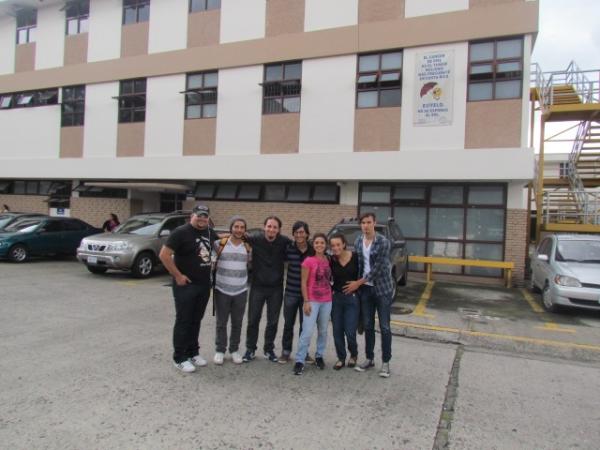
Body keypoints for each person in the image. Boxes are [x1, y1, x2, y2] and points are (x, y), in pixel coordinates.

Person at [159, 204, 218, 374]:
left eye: (205, 216)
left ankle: (193, 352)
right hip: (186, 286)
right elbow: (164, 254)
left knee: (196, 319)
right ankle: (179, 357)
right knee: (184, 320)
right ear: (192, 215)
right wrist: (178, 275)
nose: (202, 219)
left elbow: (218, 244)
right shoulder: (181, 232)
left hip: (204, 284)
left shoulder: (208, 232)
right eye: (199, 215)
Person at [344, 212, 394, 378]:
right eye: (363, 223)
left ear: (374, 223)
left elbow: (378, 269)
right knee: (367, 325)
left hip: (382, 290)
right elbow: (358, 264)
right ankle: (369, 358)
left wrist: (357, 283)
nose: (365, 225)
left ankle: (386, 362)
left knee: (385, 327)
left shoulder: (383, 242)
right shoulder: (358, 240)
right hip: (365, 290)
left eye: (368, 222)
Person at [242, 216, 292, 363]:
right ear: (264, 227)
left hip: (276, 289)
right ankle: (250, 349)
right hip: (257, 287)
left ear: (279, 230)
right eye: (269, 226)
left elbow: (300, 246)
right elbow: (237, 235)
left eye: (275, 227)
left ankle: (268, 349)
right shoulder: (255, 239)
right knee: (253, 320)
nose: (271, 229)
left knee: (273, 321)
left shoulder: (284, 241)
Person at [212, 216, 251, 366]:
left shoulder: (248, 247)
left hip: (241, 290)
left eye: (242, 227)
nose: (239, 230)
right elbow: (210, 259)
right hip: (222, 289)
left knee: (237, 322)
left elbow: (250, 264)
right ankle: (220, 350)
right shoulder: (219, 244)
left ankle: (234, 349)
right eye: (236, 227)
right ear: (231, 228)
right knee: (221, 322)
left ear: (245, 230)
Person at [293, 233, 332, 375]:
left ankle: (319, 356)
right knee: (307, 331)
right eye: (317, 243)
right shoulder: (308, 261)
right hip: (312, 300)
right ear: (313, 245)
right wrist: (306, 300)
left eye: (322, 243)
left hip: (327, 300)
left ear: (326, 245)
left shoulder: (329, 260)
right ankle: (300, 360)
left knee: (323, 330)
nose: (319, 245)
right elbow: (303, 282)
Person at [279, 221, 315, 364]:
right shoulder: (288, 249)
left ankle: (303, 352)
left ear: (307, 233)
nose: (299, 235)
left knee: (305, 325)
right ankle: (286, 352)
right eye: (296, 232)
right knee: (288, 324)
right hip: (291, 293)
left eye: (302, 232)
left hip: (307, 295)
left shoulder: (313, 251)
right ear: (293, 234)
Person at [329, 233, 359, 370]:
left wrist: (357, 284)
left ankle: (354, 354)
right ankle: (341, 357)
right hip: (336, 299)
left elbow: (365, 274)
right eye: (333, 245)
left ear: (344, 244)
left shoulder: (356, 257)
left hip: (351, 299)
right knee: (337, 331)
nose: (335, 248)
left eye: (338, 245)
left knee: (350, 332)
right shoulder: (331, 260)